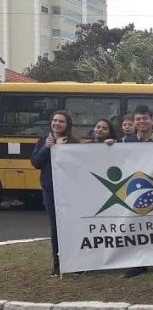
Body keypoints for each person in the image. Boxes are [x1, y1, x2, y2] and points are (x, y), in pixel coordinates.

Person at [119, 106, 153, 278]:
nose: (141, 122)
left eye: (145, 118)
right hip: (134, 189)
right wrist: (110, 147)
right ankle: (139, 263)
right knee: (136, 228)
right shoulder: (125, 142)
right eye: (138, 119)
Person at [30, 111, 79, 276]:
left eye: (61, 121)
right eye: (55, 121)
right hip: (50, 190)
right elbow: (35, 163)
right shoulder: (43, 141)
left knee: (73, 226)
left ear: (67, 125)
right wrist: (48, 148)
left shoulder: (73, 142)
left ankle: (76, 261)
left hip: (70, 191)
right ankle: (57, 263)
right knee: (55, 228)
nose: (57, 124)